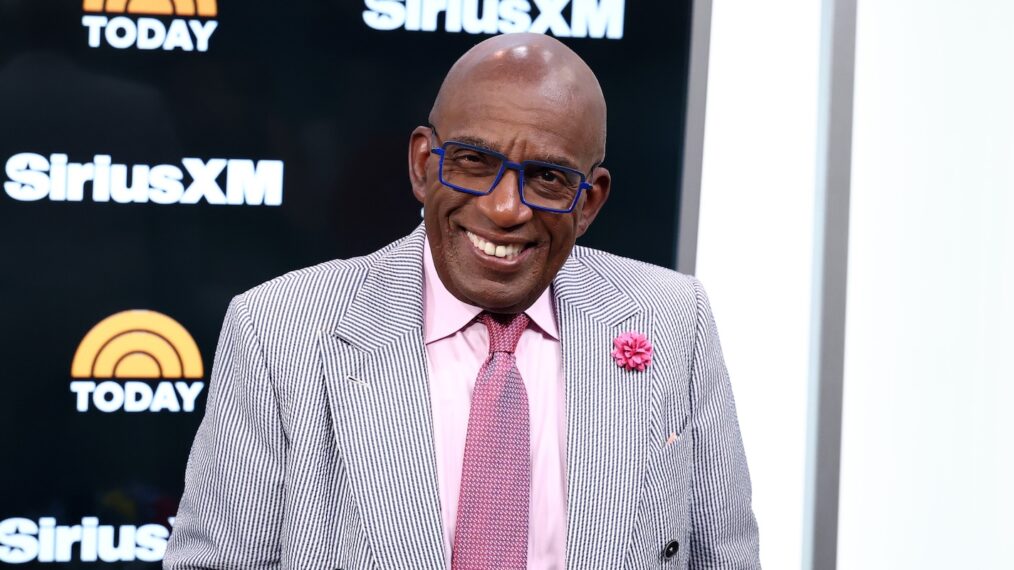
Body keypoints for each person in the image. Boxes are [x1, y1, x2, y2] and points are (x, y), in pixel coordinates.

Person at [164, 33, 760, 569]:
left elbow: (725, 558)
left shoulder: (673, 318)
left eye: (548, 177)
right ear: (424, 165)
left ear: (589, 202)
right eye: (475, 162)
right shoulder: (279, 328)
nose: (506, 209)